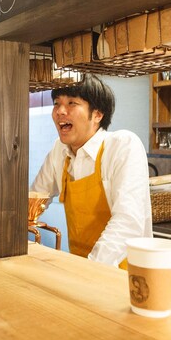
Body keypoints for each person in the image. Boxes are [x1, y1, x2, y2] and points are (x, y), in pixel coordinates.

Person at [30, 74, 151, 267]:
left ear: (97, 114)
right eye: (56, 103)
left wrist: (90, 269)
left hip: (125, 276)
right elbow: (35, 198)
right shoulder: (59, 151)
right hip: (83, 272)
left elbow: (128, 222)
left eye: (71, 103)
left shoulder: (122, 146)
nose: (60, 111)